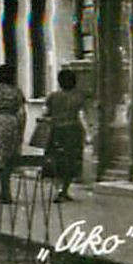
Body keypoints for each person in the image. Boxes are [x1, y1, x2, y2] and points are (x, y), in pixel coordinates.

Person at [0, 64, 26, 203]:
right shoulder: (17, 91)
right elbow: (21, 112)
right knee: (9, 157)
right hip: (11, 123)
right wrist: (21, 129)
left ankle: (4, 189)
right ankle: (5, 190)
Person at [44, 68, 85, 202]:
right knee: (71, 160)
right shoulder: (78, 97)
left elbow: (46, 113)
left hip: (56, 131)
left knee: (56, 160)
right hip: (73, 130)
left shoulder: (53, 96)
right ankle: (64, 190)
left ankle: (58, 189)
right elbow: (81, 115)